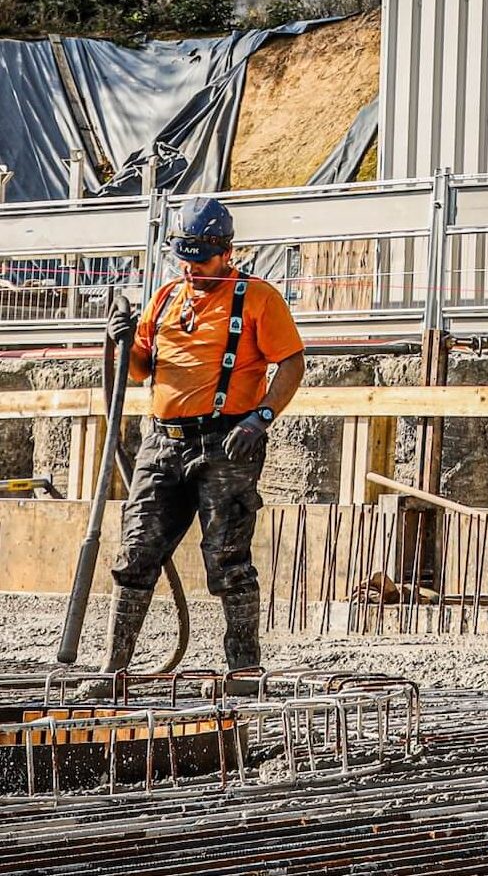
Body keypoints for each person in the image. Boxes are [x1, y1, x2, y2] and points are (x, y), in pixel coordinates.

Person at [83, 196, 305, 699]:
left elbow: (292, 362)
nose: (191, 269)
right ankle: (113, 671)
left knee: (227, 558)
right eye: (184, 259)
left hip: (226, 443)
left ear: (226, 252)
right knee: (137, 552)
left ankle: (244, 670)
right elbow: (140, 368)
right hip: (162, 442)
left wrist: (261, 417)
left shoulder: (258, 299)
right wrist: (123, 341)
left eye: (201, 259)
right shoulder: (166, 299)